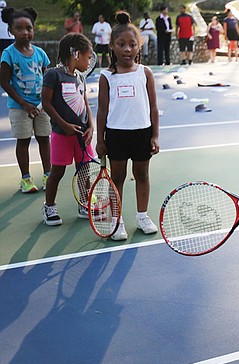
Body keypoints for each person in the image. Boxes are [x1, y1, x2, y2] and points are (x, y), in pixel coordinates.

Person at [96, 11, 159, 240]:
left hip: (142, 133)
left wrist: (155, 136)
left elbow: (153, 108)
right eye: (121, 44)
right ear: (112, 46)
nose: (127, 49)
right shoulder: (106, 76)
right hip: (116, 135)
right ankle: (117, 221)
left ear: (139, 46)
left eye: (132, 44)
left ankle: (142, 216)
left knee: (142, 175)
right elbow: (102, 110)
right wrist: (100, 140)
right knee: (118, 178)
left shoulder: (145, 73)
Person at [40, 33, 95, 225]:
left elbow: (85, 102)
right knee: (57, 172)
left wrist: (91, 126)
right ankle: (49, 207)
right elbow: (46, 103)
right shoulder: (53, 74)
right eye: (88, 57)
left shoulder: (80, 77)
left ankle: (83, 203)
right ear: (76, 54)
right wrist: (64, 125)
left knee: (84, 171)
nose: (90, 61)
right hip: (62, 134)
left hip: (82, 135)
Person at [0, 6, 51, 194]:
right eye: (19, 28)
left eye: (29, 28)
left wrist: (45, 101)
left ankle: (48, 174)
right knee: (23, 141)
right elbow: (4, 82)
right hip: (19, 107)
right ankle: (26, 179)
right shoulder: (8, 54)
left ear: (33, 29)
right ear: (10, 31)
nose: (25, 32)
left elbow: (48, 79)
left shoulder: (40, 53)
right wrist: (24, 104)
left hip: (41, 107)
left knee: (44, 139)